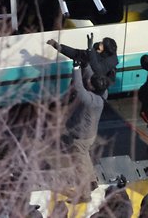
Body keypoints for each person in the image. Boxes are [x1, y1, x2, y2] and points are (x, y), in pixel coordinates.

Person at [61, 66, 108, 202]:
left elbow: (79, 88)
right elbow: (91, 80)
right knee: (84, 156)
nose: (88, 82)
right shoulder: (102, 94)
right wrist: (86, 66)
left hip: (80, 137)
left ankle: (85, 195)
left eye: (90, 82)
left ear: (92, 87)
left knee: (79, 167)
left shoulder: (90, 100)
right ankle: (92, 180)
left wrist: (76, 69)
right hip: (89, 135)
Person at [47, 32, 119, 83]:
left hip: (91, 90)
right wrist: (60, 47)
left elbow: (98, 70)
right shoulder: (94, 53)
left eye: (102, 44)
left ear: (105, 50)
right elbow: (76, 53)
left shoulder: (109, 62)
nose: (99, 43)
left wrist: (90, 49)